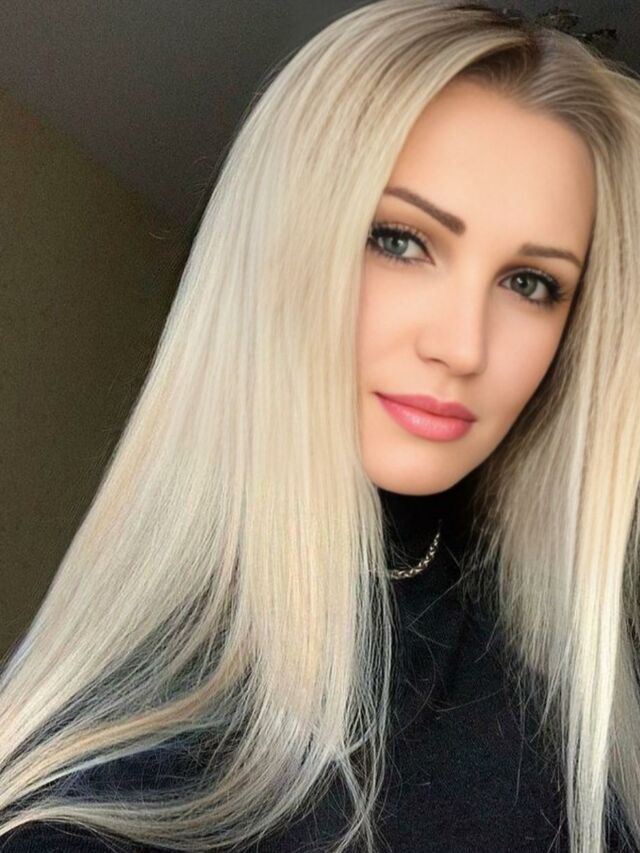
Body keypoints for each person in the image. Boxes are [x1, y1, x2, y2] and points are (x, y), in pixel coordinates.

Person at [1, 1, 638, 851]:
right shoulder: (103, 786)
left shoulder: (585, 674)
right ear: (279, 248)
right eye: (401, 240)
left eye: (530, 283)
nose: (462, 346)